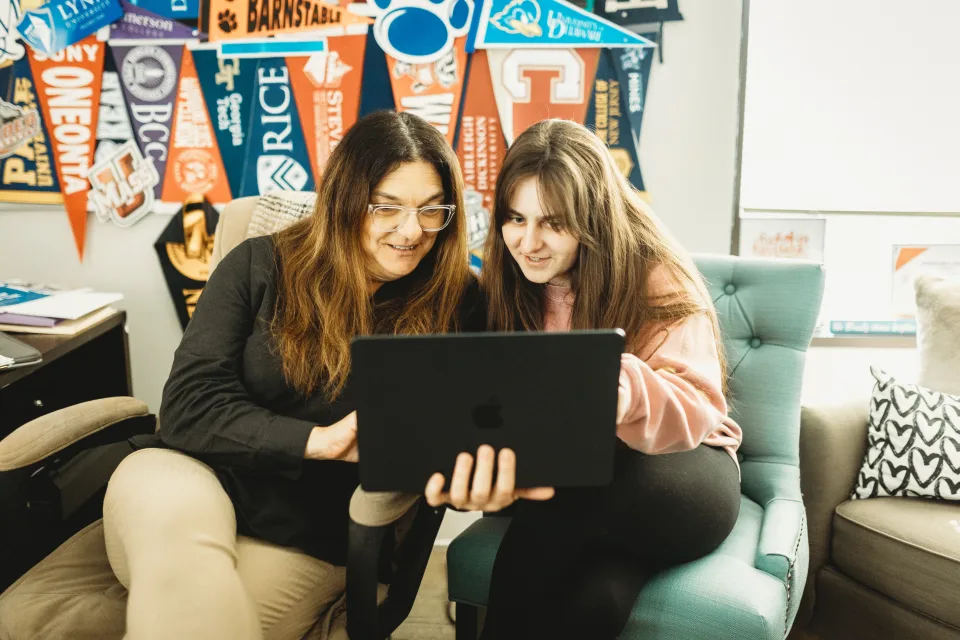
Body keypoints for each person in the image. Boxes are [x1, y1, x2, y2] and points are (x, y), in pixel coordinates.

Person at [102, 110, 484, 640]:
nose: (411, 230)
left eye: (431, 209)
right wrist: (319, 442)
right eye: (387, 208)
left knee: (211, 624)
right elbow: (189, 408)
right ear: (345, 201)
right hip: (184, 478)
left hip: (306, 534)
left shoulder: (459, 304)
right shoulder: (259, 265)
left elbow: (465, 434)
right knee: (185, 566)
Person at [425, 119, 743, 639]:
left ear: (592, 217)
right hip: (582, 481)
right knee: (599, 599)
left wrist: (614, 387)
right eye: (515, 218)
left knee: (559, 505)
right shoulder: (506, 283)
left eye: (553, 223)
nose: (527, 243)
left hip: (681, 469)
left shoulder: (654, 272)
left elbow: (697, 406)